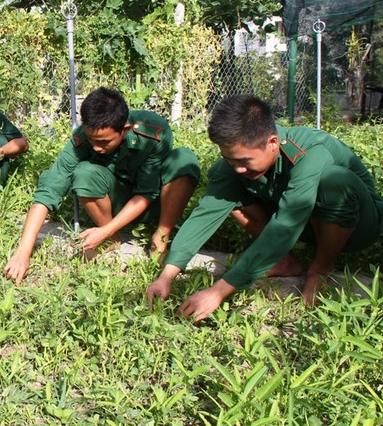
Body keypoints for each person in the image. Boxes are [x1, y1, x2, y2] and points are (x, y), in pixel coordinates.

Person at [146, 94, 383, 321]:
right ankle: (285, 261)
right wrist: (167, 274)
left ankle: (321, 267)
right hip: (306, 225)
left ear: (272, 143)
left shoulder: (310, 153)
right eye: (230, 159)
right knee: (226, 184)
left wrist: (218, 291)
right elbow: (207, 212)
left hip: (355, 227)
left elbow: (287, 224)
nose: (237, 167)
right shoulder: (236, 165)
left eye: (244, 161)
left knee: (334, 182)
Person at [3, 87, 201, 284]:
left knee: (184, 159)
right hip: (116, 203)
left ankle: (161, 235)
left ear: (125, 130)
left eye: (104, 142)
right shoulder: (82, 139)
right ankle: (111, 238)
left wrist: (103, 231)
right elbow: (48, 191)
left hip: (156, 202)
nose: (96, 147)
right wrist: (23, 253)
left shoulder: (153, 132)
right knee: (84, 173)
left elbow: (146, 193)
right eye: (91, 139)